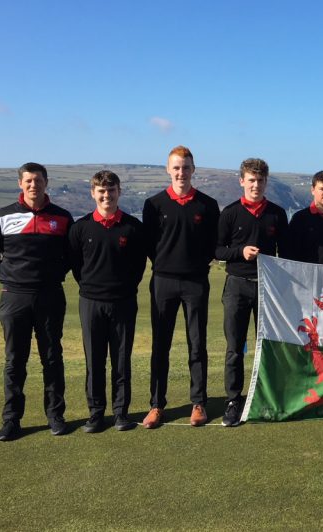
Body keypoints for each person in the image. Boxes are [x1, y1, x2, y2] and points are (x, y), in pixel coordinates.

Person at [0, 162, 73, 441]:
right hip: (14, 298)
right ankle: (11, 420)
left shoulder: (62, 217)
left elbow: (70, 256)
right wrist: (11, 282)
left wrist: (52, 277)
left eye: (38, 180)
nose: (34, 185)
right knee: (15, 360)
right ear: (20, 184)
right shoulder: (3, 216)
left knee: (52, 358)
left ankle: (55, 415)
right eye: (28, 181)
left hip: (49, 296)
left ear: (47, 183)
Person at [141, 146, 220, 429]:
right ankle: (156, 405)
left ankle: (198, 402)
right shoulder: (154, 204)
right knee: (160, 345)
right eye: (176, 167)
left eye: (186, 167)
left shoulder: (207, 205)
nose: (181, 173)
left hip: (196, 282)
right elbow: (149, 245)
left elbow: (214, 243)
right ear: (168, 169)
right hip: (163, 281)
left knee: (197, 344)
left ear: (193, 169)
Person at [69, 170, 147, 433]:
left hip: (123, 302)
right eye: (101, 191)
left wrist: (124, 288)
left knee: (121, 359)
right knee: (94, 360)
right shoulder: (80, 228)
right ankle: (95, 414)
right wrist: (93, 288)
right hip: (91, 302)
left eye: (111, 190)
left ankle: (121, 413)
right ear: (93, 193)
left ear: (119, 192)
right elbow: (77, 267)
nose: (106, 195)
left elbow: (139, 266)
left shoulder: (133, 227)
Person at [215, 158, 289, 427]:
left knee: (266, 345)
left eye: (260, 181)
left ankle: (265, 396)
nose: (255, 185)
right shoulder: (231, 212)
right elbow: (218, 250)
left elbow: (287, 251)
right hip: (236, 285)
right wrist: (240, 252)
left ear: (266, 182)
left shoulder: (277, 214)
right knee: (235, 347)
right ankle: (233, 400)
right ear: (242, 181)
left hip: (268, 287)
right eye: (251, 180)